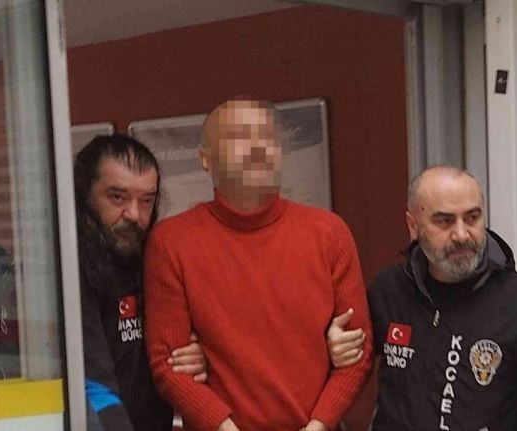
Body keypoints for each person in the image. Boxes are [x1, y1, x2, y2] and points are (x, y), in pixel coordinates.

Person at [143, 99, 373, 431]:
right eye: (239, 136)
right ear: (206, 159)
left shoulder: (329, 233)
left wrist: (318, 426)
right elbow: (169, 366)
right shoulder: (171, 241)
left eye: (267, 137)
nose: (256, 147)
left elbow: (359, 352)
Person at [328, 165, 517, 430]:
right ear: (413, 226)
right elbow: (352, 357)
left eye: (472, 218)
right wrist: (335, 346)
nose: (461, 235)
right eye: (444, 221)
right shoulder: (389, 289)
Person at [74, 135, 205, 431]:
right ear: (84, 195)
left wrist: (202, 357)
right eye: (117, 197)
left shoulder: (157, 261)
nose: (134, 215)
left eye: (146, 200)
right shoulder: (70, 273)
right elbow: (93, 385)